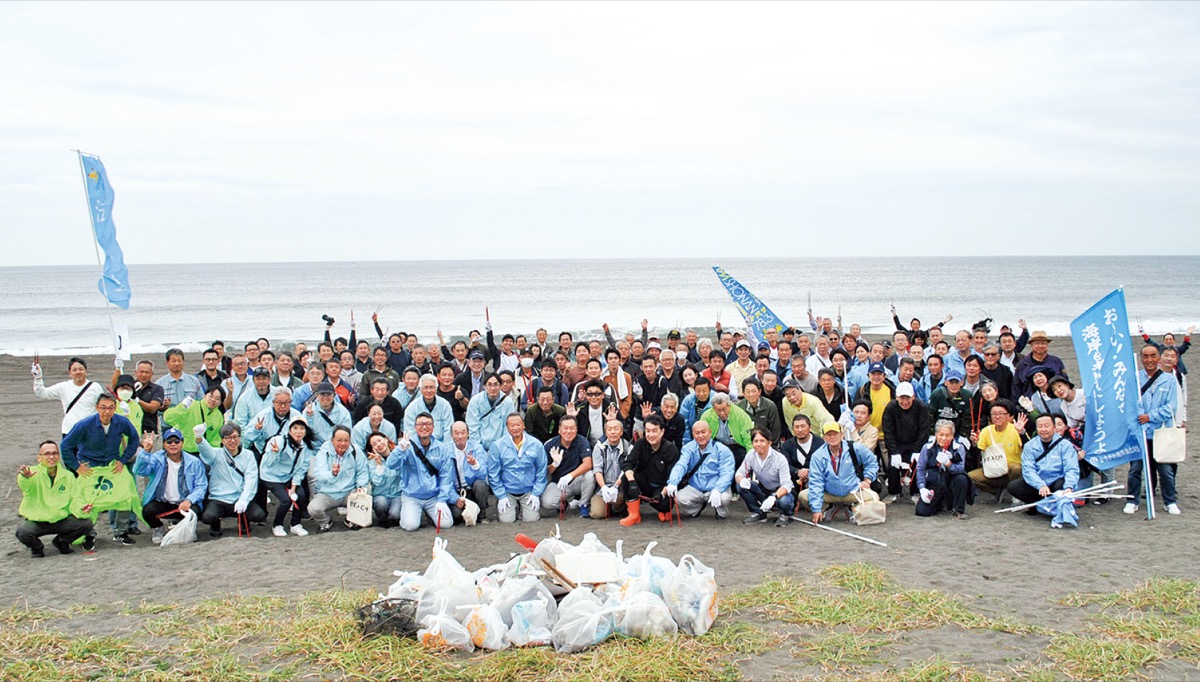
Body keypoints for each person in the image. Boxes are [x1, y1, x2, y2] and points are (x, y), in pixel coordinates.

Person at [60, 393, 141, 544]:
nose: (107, 412)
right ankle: (89, 533)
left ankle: (121, 532)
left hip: (112, 465)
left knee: (124, 496)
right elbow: (65, 445)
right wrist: (76, 467)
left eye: (111, 408)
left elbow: (134, 439)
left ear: (115, 408)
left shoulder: (122, 422)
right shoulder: (85, 424)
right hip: (90, 466)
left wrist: (123, 460)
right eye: (103, 408)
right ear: (97, 408)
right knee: (88, 501)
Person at [1126, 345, 1182, 516]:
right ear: (1141, 358)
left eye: (1153, 356)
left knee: (1165, 469)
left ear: (1158, 358)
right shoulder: (1134, 379)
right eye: (1145, 356)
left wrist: (1150, 416)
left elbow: (1171, 407)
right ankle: (1132, 500)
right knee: (1136, 469)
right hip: (1139, 433)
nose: (1149, 360)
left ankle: (1169, 501)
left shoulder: (1169, 380)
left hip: (1161, 432)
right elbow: (1129, 407)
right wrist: (1136, 427)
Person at [16, 440, 96, 558]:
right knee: (22, 532)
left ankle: (61, 541)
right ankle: (37, 547)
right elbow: (26, 487)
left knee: (87, 524)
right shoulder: (31, 473)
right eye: (47, 454)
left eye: (55, 453)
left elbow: (76, 497)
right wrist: (25, 478)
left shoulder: (67, 476)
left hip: (61, 519)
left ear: (59, 456)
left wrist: (82, 508)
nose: (51, 457)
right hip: (38, 520)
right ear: (39, 458)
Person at [134, 429, 208, 544]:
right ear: (164, 444)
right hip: (163, 502)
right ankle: (158, 528)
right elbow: (140, 471)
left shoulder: (194, 462)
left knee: (195, 511)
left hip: (184, 503)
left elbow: (201, 486)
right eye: (169, 441)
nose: (173, 444)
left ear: (182, 443)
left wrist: (190, 500)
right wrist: (146, 452)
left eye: (176, 441)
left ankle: (188, 529)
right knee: (148, 511)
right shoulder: (157, 458)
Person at [194, 422, 266, 537]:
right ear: (222, 440)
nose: (232, 441)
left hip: (239, 497)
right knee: (208, 517)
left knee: (259, 515)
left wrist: (244, 499)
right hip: (219, 498)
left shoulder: (248, 455)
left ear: (240, 438)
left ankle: (243, 522)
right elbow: (206, 451)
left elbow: (251, 479)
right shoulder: (216, 454)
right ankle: (215, 525)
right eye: (228, 438)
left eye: (235, 437)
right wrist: (199, 437)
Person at [386, 414, 456, 532]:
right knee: (410, 526)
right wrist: (400, 450)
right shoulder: (407, 445)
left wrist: (442, 500)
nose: (424, 427)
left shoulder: (441, 448)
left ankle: (430, 514)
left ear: (433, 427)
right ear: (415, 427)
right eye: (420, 424)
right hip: (412, 496)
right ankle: (408, 513)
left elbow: (446, 476)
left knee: (446, 523)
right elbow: (390, 464)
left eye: (428, 424)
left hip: (433, 496)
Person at [800, 422, 879, 523]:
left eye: (835, 434)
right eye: (829, 435)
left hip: (853, 492)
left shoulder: (854, 447)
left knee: (874, 498)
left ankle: (852, 509)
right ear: (824, 438)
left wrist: (867, 480)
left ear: (842, 435)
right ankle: (829, 508)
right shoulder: (817, 456)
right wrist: (816, 509)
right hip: (829, 494)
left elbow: (872, 461)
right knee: (803, 496)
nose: (832, 437)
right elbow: (816, 482)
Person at [663, 421, 734, 519]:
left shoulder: (722, 449)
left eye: (703, 432)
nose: (700, 436)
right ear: (693, 434)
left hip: (715, 487)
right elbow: (681, 465)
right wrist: (673, 482)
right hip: (695, 487)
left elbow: (727, 473)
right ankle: (697, 508)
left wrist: (718, 489)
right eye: (697, 433)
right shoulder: (688, 448)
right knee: (679, 498)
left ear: (710, 432)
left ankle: (720, 512)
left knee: (723, 498)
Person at [261, 415, 316, 537]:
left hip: (288, 476)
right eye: (295, 428)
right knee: (285, 500)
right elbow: (267, 464)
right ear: (290, 430)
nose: (298, 431)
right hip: (271, 476)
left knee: (301, 495)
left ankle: (295, 524)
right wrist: (275, 453)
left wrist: (293, 488)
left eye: (301, 428)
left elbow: (301, 469)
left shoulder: (306, 447)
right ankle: (277, 525)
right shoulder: (278, 441)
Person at [1006, 414, 1079, 506]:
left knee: (1061, 486)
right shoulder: (1030, 445)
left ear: (1054, 427)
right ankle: (1037, 504)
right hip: (1038, 482)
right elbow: (1028, 470)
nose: (1043, 429)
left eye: (1047, 426)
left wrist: (1069, 486)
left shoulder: (1065, 445)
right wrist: (1040, 485)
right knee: (1013, 486)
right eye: (1040, 426)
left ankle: (1054, 504)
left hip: (1057, 481)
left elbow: (1071, 468)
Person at [488, 413, 548, 523]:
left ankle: (523, 509)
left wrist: (536, 493)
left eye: (518, 424)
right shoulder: (497, 446)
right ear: (507, 427)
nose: (515, 428)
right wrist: (500, 495)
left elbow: (541, 470)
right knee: (506, 521)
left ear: (523, 425)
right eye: (512, 425)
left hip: (528, 491)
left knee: (531, 519)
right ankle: (509, 507)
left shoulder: (536, 444)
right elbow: (493, 474)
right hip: (507, 492)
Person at [308, 426, 370, 532]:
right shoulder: (324, 452)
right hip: (328, 493)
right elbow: (319, 474)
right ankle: (326, 522)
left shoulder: (356, 451)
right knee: (313, 508)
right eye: (339, 440)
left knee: (367, 493)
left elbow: (362, 471)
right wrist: (332, 474)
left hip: (349, 491)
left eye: (346, 440)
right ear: (332, 440)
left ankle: (351, 519)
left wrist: (361, 486)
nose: (343, 443)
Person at [880, 382, 933, 501]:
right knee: (893, 467)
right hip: (897, 442)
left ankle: (915, 492)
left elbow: (924, 429)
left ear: (913, 396)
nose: (905, 401)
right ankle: (894, 492)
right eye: (901, 398)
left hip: (915, 442)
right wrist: (893, 451)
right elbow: (888, 430)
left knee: (917, 466)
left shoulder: (921, 407)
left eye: (908, 398)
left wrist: (918, 449)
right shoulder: (890, 408)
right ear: (896, 397)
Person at [32, 356, 106, 437]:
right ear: (70, 373)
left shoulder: (95, 387)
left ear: (86, 371)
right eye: (74, 370)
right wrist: (38, 378)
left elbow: (103, 407)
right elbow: (42, 393)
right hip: (69, 431)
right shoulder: (64, 387)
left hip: (91, 431)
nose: (78, 372)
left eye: (81, 369)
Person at [736, 429, 796, 527]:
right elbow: (739, 473)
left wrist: (774, 497)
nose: (759, 444)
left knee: (784, 501)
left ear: (769, 442)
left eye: (762, 441)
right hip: (764, 488)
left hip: (780, 491)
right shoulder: (751, 455)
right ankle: (759, 513)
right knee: (739, 486)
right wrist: (741, 480)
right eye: (756, 441)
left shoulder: (780, 459)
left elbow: (787, 485)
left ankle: (785, 515)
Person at [915, 421, 973, 519]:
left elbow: (960, 468)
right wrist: (922, 488)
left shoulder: (958, 448)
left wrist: (948, 463)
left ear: (953, 436)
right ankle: (940, 503)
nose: (944, 438)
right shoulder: (927, 447)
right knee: (922, 511)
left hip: (951, 480)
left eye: (948, 435)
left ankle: (958, 509)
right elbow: (920, 468)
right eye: (941, 434)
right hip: (934, 481)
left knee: (961, 478)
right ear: (936, 434)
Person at [968, 400, 1027, 496]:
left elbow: (1028, 447)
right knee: (970, 477)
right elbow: (978, 453)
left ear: (1008, 416)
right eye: (994, 414)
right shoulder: (986, 431)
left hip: (1011, 471)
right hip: (993, 468)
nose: (997, 416)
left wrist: (1022, 433)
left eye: (1001, 413)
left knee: (1016, 468)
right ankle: (996, 492)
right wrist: (974, 444)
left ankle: (1017, 494)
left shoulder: (1015, 429)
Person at [540, 416, 596, 517]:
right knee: (546, 503)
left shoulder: (582, 441)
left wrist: (570, 476)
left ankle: (583, 504)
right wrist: (555, 464)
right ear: (559, 430)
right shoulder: (550, 444)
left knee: (590, 475)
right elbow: (546, 472)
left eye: (572, 428)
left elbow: (588, 464)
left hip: (577, 480)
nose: (568, 431)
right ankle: (563, 503)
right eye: (565, 428)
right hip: (558, 482)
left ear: (576, 429)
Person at [447, 421, 491, 524]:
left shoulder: (477, 448)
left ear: (468, 434)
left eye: (463, 432)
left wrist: (475, 464)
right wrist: (455, 499)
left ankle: (482, 515)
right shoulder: (446, 451)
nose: (460, 436)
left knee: (481, 485)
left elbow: (484, 474)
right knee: (456, 515)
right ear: (451, 435)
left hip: (472, 489)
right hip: (456, 491)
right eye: (456, 433)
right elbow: (444, 480)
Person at [162, 384, 226, 454]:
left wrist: (212, 455)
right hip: (183, 451)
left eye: (217, 399)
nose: (213, 400)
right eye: (210, 396)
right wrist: (182, 407)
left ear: (220, 403)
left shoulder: (219, 416)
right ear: (204, 396)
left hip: (202, 453)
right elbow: (167, 418)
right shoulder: (191, 405)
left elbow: (216, 440)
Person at [589, 418, 631, 520]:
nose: (613, 432)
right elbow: (597, 469)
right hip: (603, 487)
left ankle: (618, 507)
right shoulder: (599, 447)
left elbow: (626, 470)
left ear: (621, 432)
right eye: (609, 429)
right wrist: (603, 487)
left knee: (619, 502)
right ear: (605, 432)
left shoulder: (628, 448)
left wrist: (616, 486)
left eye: (616, 429)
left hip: (620, 487)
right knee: (597, 514)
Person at [700, 392, 753, 468]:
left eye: (724, 409)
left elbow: (748, 440)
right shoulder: (706, 416)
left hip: (738, 446)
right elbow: (703, 438)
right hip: (718, 445)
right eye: (718, 410)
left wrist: (750, 460)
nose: (722, 413)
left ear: (729, 405)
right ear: (713, 408)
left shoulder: (741, 416)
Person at [466, 372, 515, 454]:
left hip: (501, 448)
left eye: (496, 384)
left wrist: (501, 448)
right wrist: (479, 449)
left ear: (500, 386)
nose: (492, 388)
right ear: (484, 386)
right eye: (489, 385)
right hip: (479, 448)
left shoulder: (508, 402)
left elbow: (508, 428)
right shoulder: (475, 401)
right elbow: (472, 427)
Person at [365, 432, 404, 527]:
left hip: (397, 494)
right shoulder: (371, 462)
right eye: (374, 444)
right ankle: (381, 519)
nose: (378, 444)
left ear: (386, 439)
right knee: (381, 504)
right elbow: (376, 482)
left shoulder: (398, 454)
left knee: (395, 515)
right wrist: (379, 465)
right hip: (381, 494)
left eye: (379, 440)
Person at [1013, 331, 1066, 398]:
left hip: (1055, 401)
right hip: (1030, 404)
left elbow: (1065, 382)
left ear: (1047, 345)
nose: (1040, 346)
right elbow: (1016, 388)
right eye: (1037, 343)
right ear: (1031, 345)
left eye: (1043, 343)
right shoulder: (1022, 365)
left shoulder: (1056, 362)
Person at [403, 375, 454, 443]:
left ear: (436, 388)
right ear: (420, 389)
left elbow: (448, 430)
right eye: (425, 387)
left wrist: (444, 450)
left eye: (431, 387)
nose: (429, 390)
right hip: (418, 447)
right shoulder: (412, 408)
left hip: (441, 447)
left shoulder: (445, 405)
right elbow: (410, 433)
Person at [304, 381, 354, 448]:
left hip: (336, 448)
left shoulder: (343, 412)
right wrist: (309, 418)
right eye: (322, 394)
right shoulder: (309, 409)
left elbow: (346, 432)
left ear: (334, 395)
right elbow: (305, 433)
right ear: (316, 395)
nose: (325, 397)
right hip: (314, 448)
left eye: (329, 394)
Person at [738, 377, 781, 444]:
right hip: (745, 445)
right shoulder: (739, 407)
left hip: (766, 444)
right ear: (743, 393)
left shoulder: (770, 406)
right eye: (748, 392)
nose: (751, 394)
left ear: (759, 392)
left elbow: (775, 430)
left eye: (754, 391)